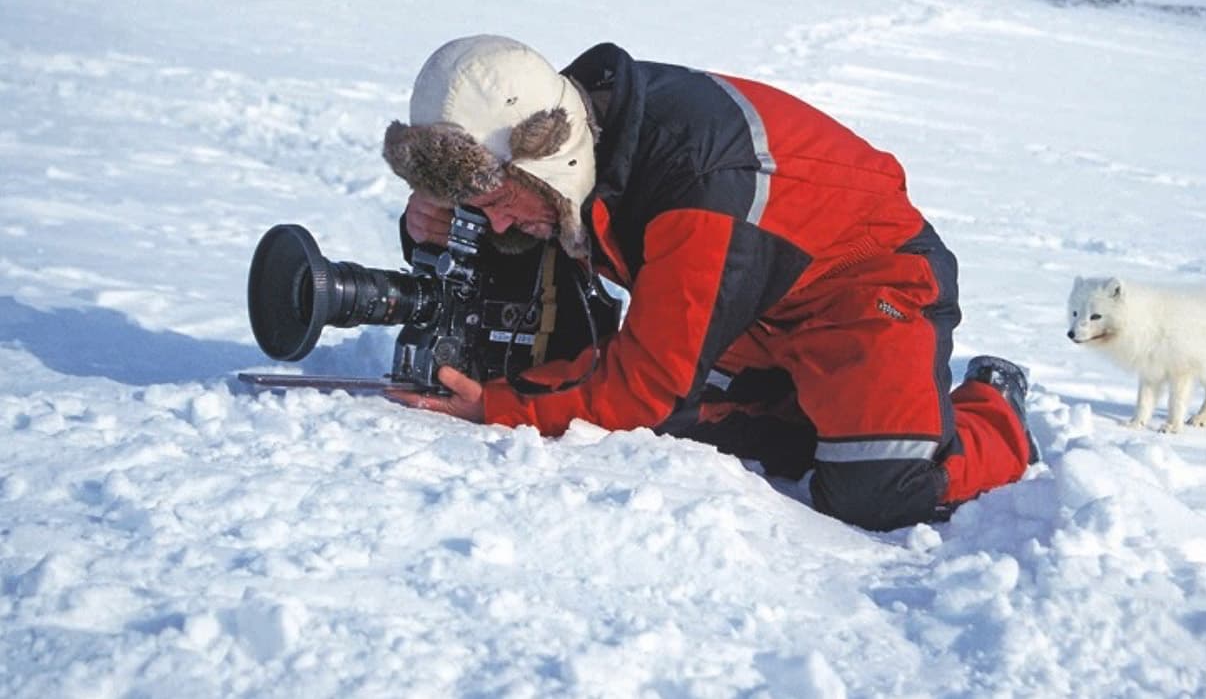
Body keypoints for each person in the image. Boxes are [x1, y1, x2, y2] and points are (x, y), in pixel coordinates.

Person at [383, 35, 1036, 530]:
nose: (492, 220)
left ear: (550, 151)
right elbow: (515, 225)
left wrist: (498, 406)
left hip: (869, 289)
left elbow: (645, 387)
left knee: (877, 490)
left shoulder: (701, 177)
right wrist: (433, 231)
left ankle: (994, 408)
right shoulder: (594, 133)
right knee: (712, 432)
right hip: (752, 308)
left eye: (497, 199)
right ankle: (814, 408)